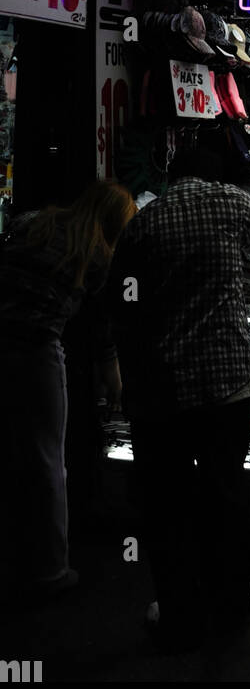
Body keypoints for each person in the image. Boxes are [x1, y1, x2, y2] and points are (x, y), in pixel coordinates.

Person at [107, 147, 250, 652]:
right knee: (227, 492)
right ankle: (233, 596)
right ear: (214, 172)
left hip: (165, 389)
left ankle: (179, 610)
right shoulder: (235, 204)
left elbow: (125, 300)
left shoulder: (145, 221)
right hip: (227, 382)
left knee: (168, 504)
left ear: (170, 174)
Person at [0, 182, 136, 603]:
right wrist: (113, 375)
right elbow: (101, 328)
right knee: (46, 460)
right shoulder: (98, 256)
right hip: (35, 347)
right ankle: (50, 569)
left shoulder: (31, 223)